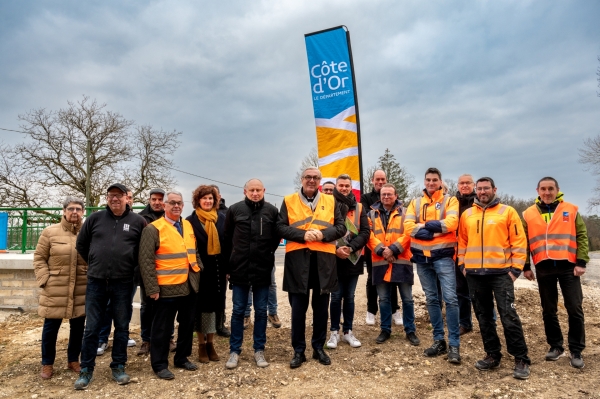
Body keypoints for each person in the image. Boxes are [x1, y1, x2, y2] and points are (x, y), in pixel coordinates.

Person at [74, 183, 146, 390]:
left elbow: (144, 251)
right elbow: (81, 245)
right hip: (96, 281)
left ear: (126, 198)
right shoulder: (95, 219)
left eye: (119, 195)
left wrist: (132, 271)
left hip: (123, 283)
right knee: (92, 328)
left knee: (122, 327)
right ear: (107, 198)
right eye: (111, 195)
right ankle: (86, 369)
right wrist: (95, 262)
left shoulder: (138, 222)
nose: (115, 198)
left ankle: (118, 366)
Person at [457, 177, 531, 379]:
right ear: (475, 190)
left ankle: (521, 358)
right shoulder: (468, 214)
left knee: (508, 316)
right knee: (483, 317)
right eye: (479, 189)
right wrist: (463, 266)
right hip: (474, 274)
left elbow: (519, 242)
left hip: (501, 274)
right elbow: (461, 242)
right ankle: (492, 354)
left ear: (494, 189)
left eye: (486, 188)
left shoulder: (507, 212)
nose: (482, 192)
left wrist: (515, 270)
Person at [277, 167, 346, 368]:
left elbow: (341, 227)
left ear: (320, 181)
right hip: (297, 262)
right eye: (308, 177)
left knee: (321, 309)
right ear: (301, 179)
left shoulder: (331, 200)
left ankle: (318, 348)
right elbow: (280, 227)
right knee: (298, 310)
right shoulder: (289, 200)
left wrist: (323, 234)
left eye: (316, 178)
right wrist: (302, 235)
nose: (312, 180)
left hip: (324, 262)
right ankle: (298, 351)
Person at [522, 177, 589, 369]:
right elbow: (524, 242)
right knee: (548, 310)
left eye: (551, 188)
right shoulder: (528, 214)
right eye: (543, 189)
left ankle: (576, 350)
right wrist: (526, 266)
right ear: (538, 191)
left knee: (574, 308)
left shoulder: (571, 209)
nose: (547, 192)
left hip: (568, 266)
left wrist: (581, 261)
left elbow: (582, 235)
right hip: (543, 267)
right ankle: (556, 346)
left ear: (557, 190)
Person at [139, 191, 201, 379]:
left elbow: (194, 251)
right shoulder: (153, 228)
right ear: (164, 206)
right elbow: (146, 260)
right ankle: (159, 364)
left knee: (187, 325)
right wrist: (152, 288)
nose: (176, 206)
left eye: (179, 203)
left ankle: (182, 357)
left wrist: (198, 268)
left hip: (189, 285)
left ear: (183, 206)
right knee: (162, 328)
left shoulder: (188, 225)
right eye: (172, 203)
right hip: (165, 288)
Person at [223, 179, 281, 369]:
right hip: (239, 269)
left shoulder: (271, 211)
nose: (255, 193)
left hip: (262, 269)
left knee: (261, 312)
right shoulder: (234, 210)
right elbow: (227, 239)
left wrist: (265, 254)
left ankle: (259, 350)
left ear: (264, 190)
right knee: (238, 311)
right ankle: (234, 350)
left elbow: (275, 238)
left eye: (258, 190)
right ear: (245, 191)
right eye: (252, 190)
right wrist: (228, 266)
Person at [404, 167, 461, 363]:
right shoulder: (415, 202)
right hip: (422, 259)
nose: (431, 183)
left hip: (443, 257)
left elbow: (452, 223)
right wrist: (436, 227)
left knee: (451, 299)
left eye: (434, 180)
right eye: (428, 179)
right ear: (424, 181)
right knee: (432, 300)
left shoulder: (450, 200)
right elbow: (408, 227)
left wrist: (425, 226)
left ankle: (454, 344)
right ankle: (439, 340)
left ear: (440, 182)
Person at [33, 196, 87, 379]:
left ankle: (73, 360)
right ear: (64, 211)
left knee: (78, 327)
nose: (74, 212)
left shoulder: (87, 232)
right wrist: (44, 279)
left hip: (81, 287)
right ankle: (47, 363)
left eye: (78, 209)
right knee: (51, 328)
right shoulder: (50, 232)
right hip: (55, 287)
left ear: (83, 212)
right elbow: (39, 257)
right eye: (71, 209)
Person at [366, 184, 421, 347]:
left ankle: (410, 330)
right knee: (383, 299)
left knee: (407, 299)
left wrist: (393, 249)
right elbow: (368, 235)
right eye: (383, 194)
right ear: (379, 196)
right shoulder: (371, 214)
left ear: (396, 196)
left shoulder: (406, 213)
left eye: (389, 194)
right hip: (380, 261)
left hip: (402, 261)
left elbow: (409, 233)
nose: (386, 197)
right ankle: (385, 329)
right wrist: (381, 250)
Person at [325, 174, 370, 349]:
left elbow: (366, 232)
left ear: (351, 187)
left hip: (353, 258)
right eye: (341, 185)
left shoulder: (359, 207)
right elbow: (325, 230)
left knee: (349, 297)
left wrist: (350, 248)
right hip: (334, 257)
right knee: (335, 297)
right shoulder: (328, 204)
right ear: (336, 186)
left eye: (347, 185)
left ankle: (348, 331)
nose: (344, 188)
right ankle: (334, 332)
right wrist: (336, 249)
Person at [186, 185, 227, 363]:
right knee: (200, 309)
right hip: (199, 271)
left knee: (215, 308)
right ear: (198, 201)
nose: (208, 201)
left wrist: (228, 268)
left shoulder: (222, 219)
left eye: (211, 198)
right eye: (204, 198)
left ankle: (211, 343)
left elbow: (227, 245)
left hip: (218, 270)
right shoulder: (190, 221)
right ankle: (201, 345)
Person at [136, 188, 177, 356]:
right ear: (149, 200)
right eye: (154, 199)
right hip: (147, 269)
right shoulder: (140, 218)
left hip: (167, 270)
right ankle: (146, 340)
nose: (157, 202)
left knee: (167, 307)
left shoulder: (172, 218)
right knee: (146, 307)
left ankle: (168, 338)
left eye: (161, 199)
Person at [360, 170, 401, 326]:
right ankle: (371, 310)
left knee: (393, 279)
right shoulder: (365, 198)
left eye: (383, 179)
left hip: (393, 248)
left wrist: (391, 249)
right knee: (373, 279)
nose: (380, 181)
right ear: (372, 181)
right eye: (377, 179)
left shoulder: (394, 196)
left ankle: (394, 310)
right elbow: (365, 221)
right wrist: (381, 249)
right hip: (374, 249)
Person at [455, 174, 477, 335]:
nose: (465, 186)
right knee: (461, 291)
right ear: (457, 185)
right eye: (462, 183)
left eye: (468, 183)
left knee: (480, 291)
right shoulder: (452, 203)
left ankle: (489, 322)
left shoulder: (479, 202)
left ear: (473, 184)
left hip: (477, 253)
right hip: (457, 252)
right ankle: (465, 323)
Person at [210, 184, 231, 337]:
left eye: (213, 196)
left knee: (220, 295)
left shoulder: (226, 215)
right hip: (205, 264)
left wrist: (229, 267)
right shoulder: (195, 217)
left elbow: (230, 242)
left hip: (222, 262)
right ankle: (205, 325)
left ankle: (220, 324)